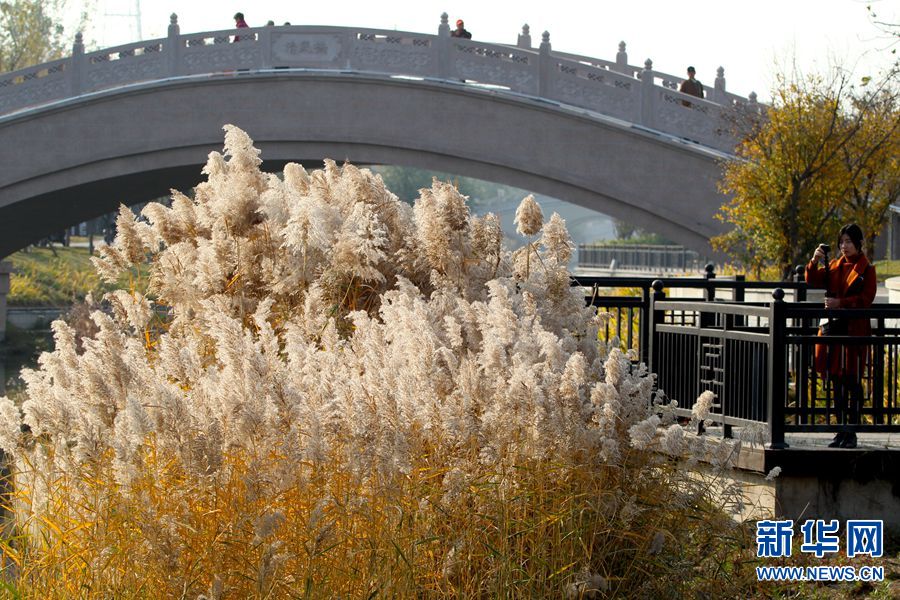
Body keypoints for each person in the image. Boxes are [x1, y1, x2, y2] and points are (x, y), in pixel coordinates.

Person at [805, 223, 876, 449]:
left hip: (854, 332)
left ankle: (851, 432)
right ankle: (840, 431)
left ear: (858, 243)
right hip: (835, 331)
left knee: (852, 381)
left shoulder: (867, 269)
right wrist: (815, 260)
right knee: (836, 380)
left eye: (848, 241)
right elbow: (812, 279)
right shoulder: (835, 265)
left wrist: (841, 303)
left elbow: (867, 299)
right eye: (841, 242)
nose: (844, 246)